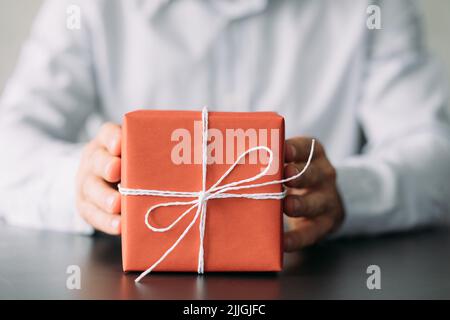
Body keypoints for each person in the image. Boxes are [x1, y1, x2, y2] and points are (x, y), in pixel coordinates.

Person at [0, 0, 449, 252]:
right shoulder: (87, 7)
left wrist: (346, 192)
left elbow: (436, 159)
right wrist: (80, 187)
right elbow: (10, 143)